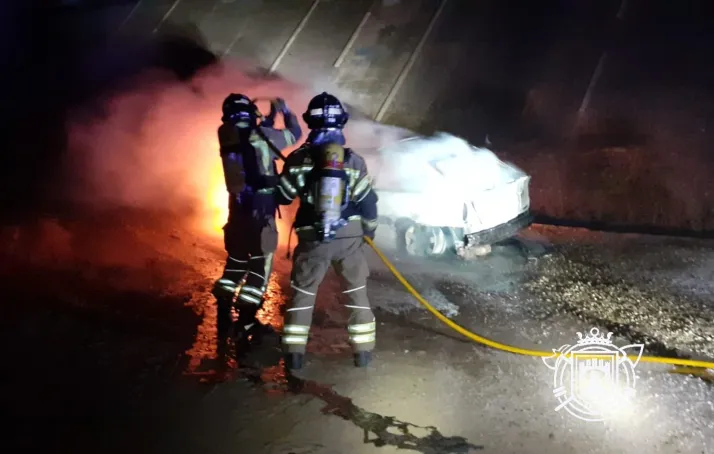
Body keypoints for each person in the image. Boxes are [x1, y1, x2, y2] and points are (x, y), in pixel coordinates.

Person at [275, 92, 379, 370]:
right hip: (350, 238)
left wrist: (287, 176)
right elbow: (368, 202)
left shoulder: (298, 158)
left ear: (310, 122)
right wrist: (369, 233)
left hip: (312, 239)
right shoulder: (353, 160)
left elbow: (283, 197)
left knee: (303, 295)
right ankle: (363, 355)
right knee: (356, 294)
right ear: (342, 122)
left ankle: (295, 356)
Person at [212, 93, 302, 340]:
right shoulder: (264, 135)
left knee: (236, 262)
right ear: (251, 113)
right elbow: (295, 133)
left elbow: (256, 138)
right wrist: (285, 111)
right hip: (261, 215)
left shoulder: (227, 133)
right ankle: (247, 323)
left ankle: (223, 309)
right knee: (260, 267)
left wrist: (269, 118)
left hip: (237, 213)